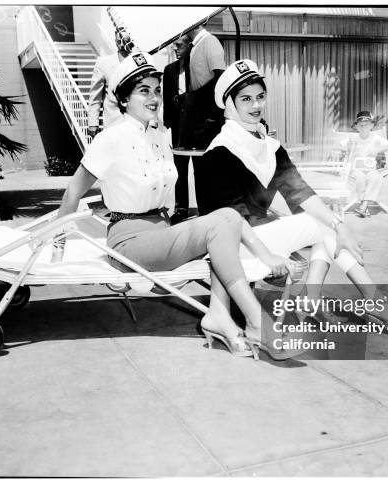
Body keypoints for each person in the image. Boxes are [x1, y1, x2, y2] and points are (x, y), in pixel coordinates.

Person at [55, 52, 312, 360]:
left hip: (162, 233)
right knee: (224, 219)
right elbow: (72, 191)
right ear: (124, 99)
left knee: (223, 228)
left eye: (155, 89)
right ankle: (258, 323)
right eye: (143, 91)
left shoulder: (161, 136)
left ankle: (219, 317)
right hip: (129, 243)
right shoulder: (110, 139)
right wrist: (57, 246)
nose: (153, 97)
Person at [194, 60, 388, 335]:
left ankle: (323, 301)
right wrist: (334, 226)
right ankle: (366, 302)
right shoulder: (219, 152)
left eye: (260, 97)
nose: (256, 106)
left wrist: (342, 227)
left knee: (324, 225)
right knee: (322, 227)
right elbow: (225, 221)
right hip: (234, 247)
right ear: (229, 104)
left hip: (260, 236)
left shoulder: (268, 147)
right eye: (246, 99)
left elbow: (299, 191)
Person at [177, 25, 225, 149]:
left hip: (210, 120)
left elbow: (220, 78)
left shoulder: (210, 41)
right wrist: (186, 97)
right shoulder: (196, 46)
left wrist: (192, 97)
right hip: (200, 119)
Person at [163, 35, 192, 223]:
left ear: (190, 46)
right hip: (177, 125)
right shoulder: (169, 70)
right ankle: (181, 208)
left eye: (180, 45)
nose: (176, 48)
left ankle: (207, 209)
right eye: (174, 45)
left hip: (195, 125)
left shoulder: (196, 68)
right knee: (179, 169)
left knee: (200, 168)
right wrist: (168, 122)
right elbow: (167, 97)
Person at [342, 111, 388, 217]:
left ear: (372, 125)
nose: (363, 127)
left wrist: (377, 150)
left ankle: (364, 204)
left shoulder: (375, 138)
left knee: (375, 177)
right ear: (356, 126)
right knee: (360, 177)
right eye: (361, 125)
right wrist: (348, 146)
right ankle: (364, 205)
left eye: (366, 124)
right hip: (356, 168)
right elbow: (341, 145)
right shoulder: (353, 138)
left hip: (370, 167)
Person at [86, 28, 134, 138]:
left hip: (136, 123)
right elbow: (95, 97)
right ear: (115, 41)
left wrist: (152, 122)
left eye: (125, 41)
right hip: (113, 123)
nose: (122, 44)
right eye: (119, 41)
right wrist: (93, 123)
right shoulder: (103, 63)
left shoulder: (138, 62)